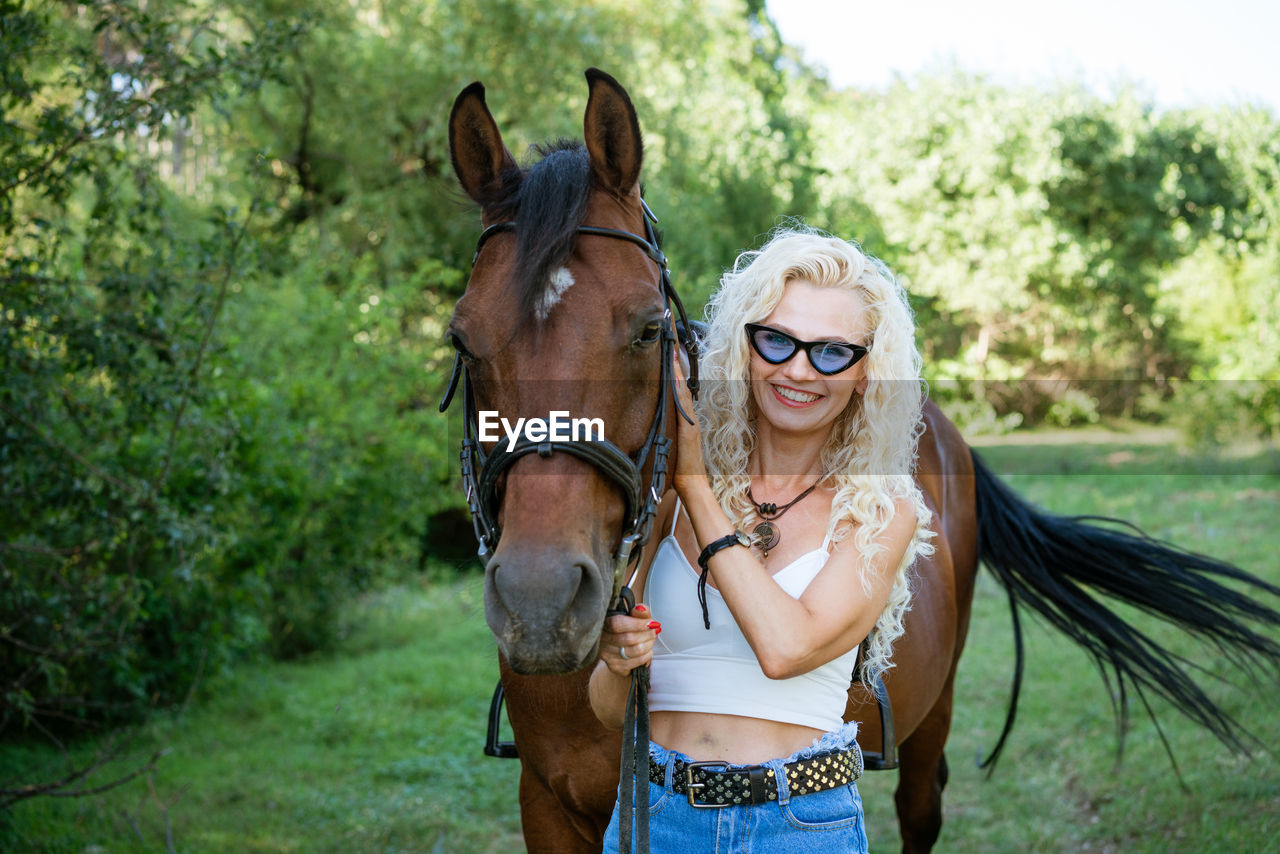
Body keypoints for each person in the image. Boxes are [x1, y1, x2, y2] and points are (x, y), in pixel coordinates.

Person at [588, 225, 935, 853]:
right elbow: (612, 712)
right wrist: (617, 662)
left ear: (866, 374)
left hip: (798, 825)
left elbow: (785, 647)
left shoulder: (880, 514)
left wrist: (697, 489)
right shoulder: (664, 499)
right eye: (775, 340)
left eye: (831, 351)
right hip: (655, 814)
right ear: (741, 348)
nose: (797, 369)